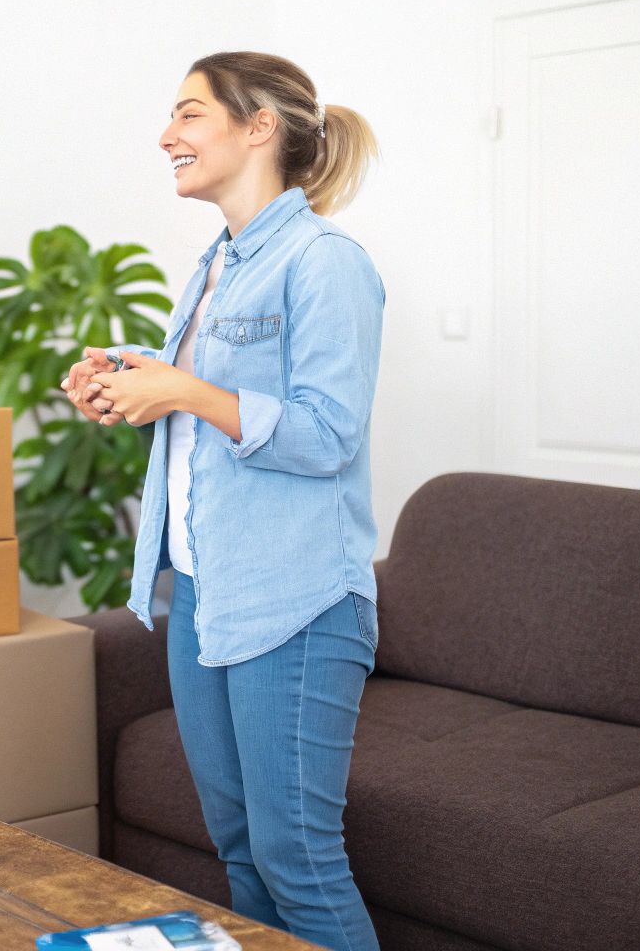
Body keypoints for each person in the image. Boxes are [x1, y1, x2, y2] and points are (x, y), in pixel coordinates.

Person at [61, 51, 385, 950]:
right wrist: (127, 383)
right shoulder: (213, 266)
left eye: (190, 114)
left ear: (258, 127)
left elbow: (326, 436)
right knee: (240, 850)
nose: (167, 136)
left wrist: (183, 390)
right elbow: (208, 418)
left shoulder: (326, 263)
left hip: (299, 600)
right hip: (205, 588)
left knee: (300, 859)